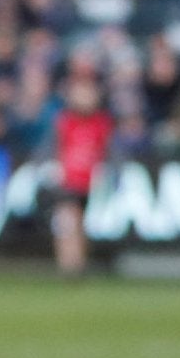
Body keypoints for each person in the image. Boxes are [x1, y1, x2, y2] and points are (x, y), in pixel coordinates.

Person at [47, 76, 115, 278]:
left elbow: (108, 152)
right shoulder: (64, 121)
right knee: (67, 221)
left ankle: (77, 264)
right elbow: (54, 148)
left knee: (80, 225)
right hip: (68, 182)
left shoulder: (102, 123)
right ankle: (69, 264)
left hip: (90, 184)